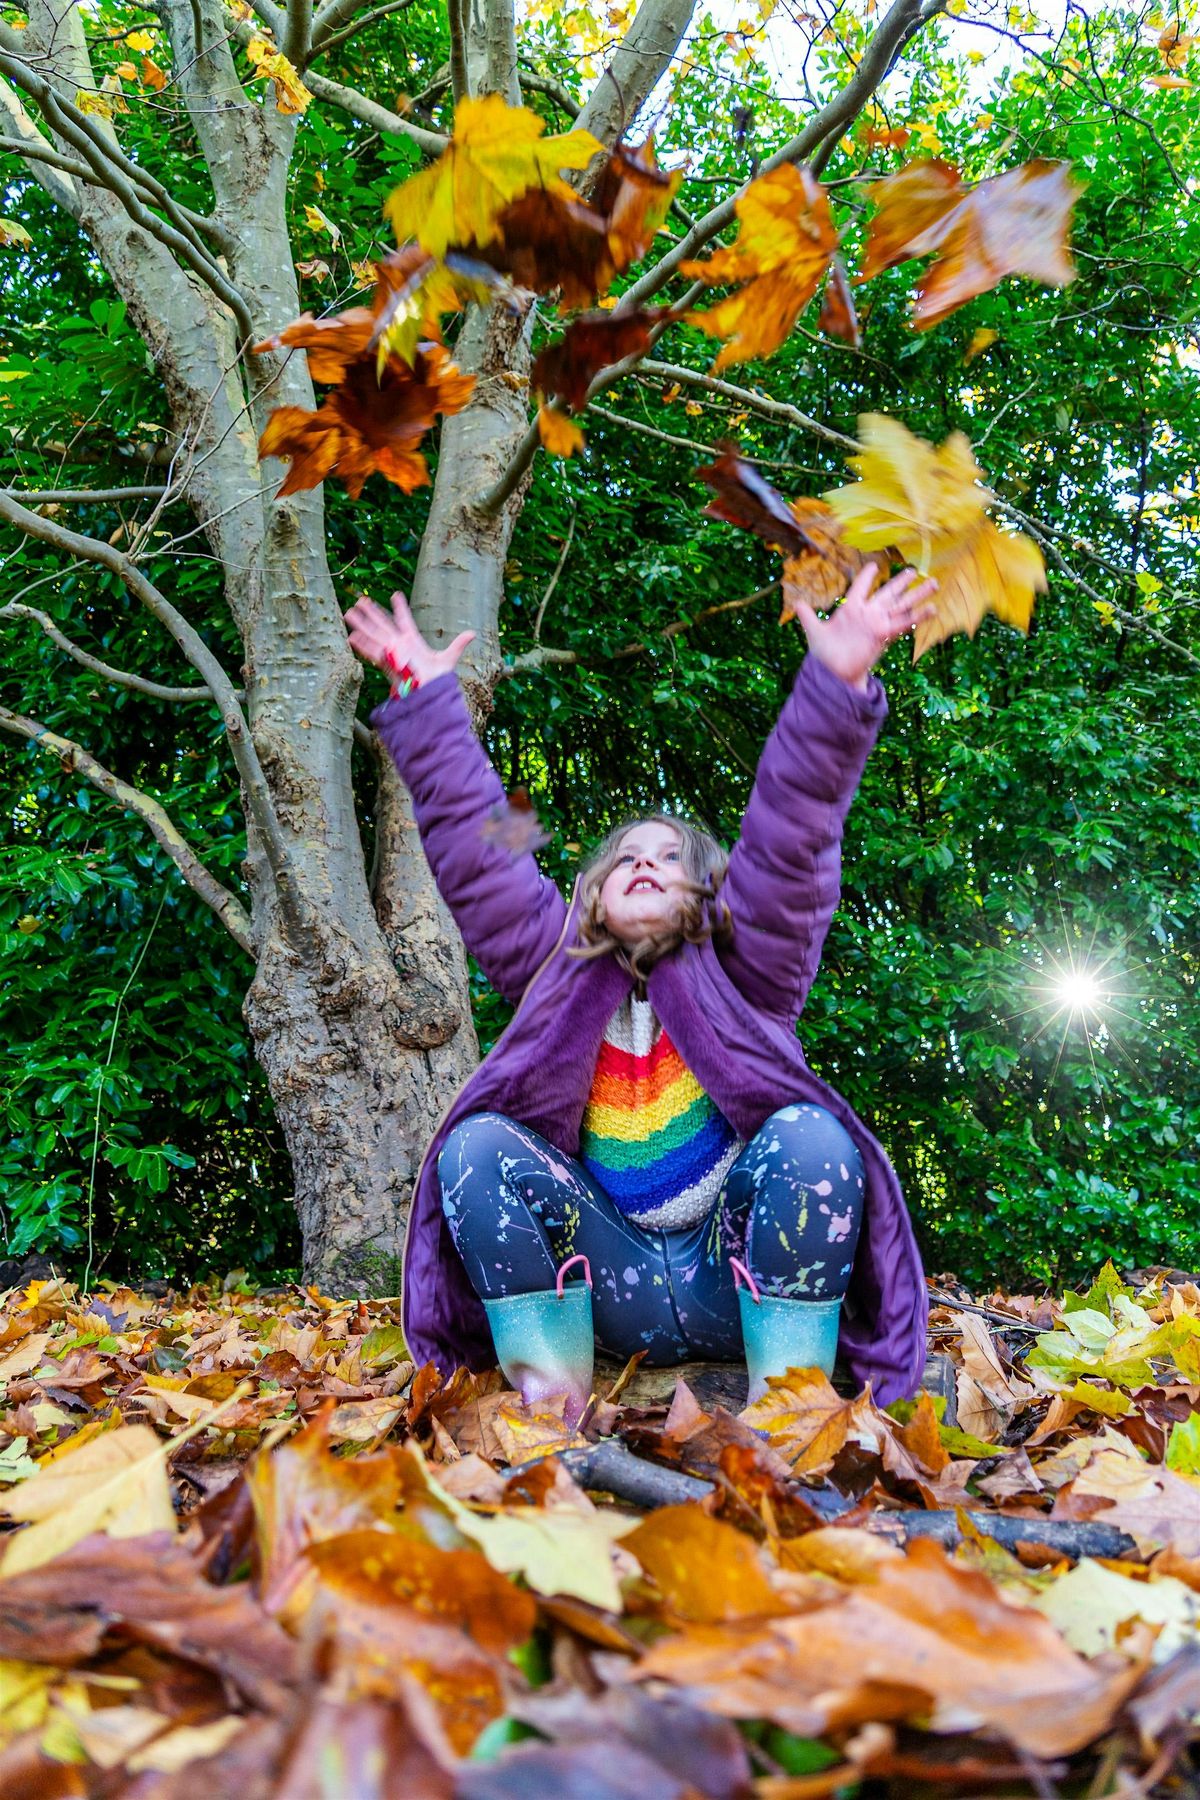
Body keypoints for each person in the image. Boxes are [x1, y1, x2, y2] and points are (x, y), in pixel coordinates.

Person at [345, 563, 936, 1419]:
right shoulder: (554, 965)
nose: (644, 864)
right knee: (474, 1147)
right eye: (624, 859)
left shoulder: (748, 968)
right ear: (588, 896)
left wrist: (836, 682)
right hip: (605, 1278)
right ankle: (550, 1413)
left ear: (706, 892)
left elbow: (791, 835)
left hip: (729, 1276)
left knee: (813, 1136)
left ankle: (792, 1411)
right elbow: (484, 857)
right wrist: (432, 709)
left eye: (667, 858)